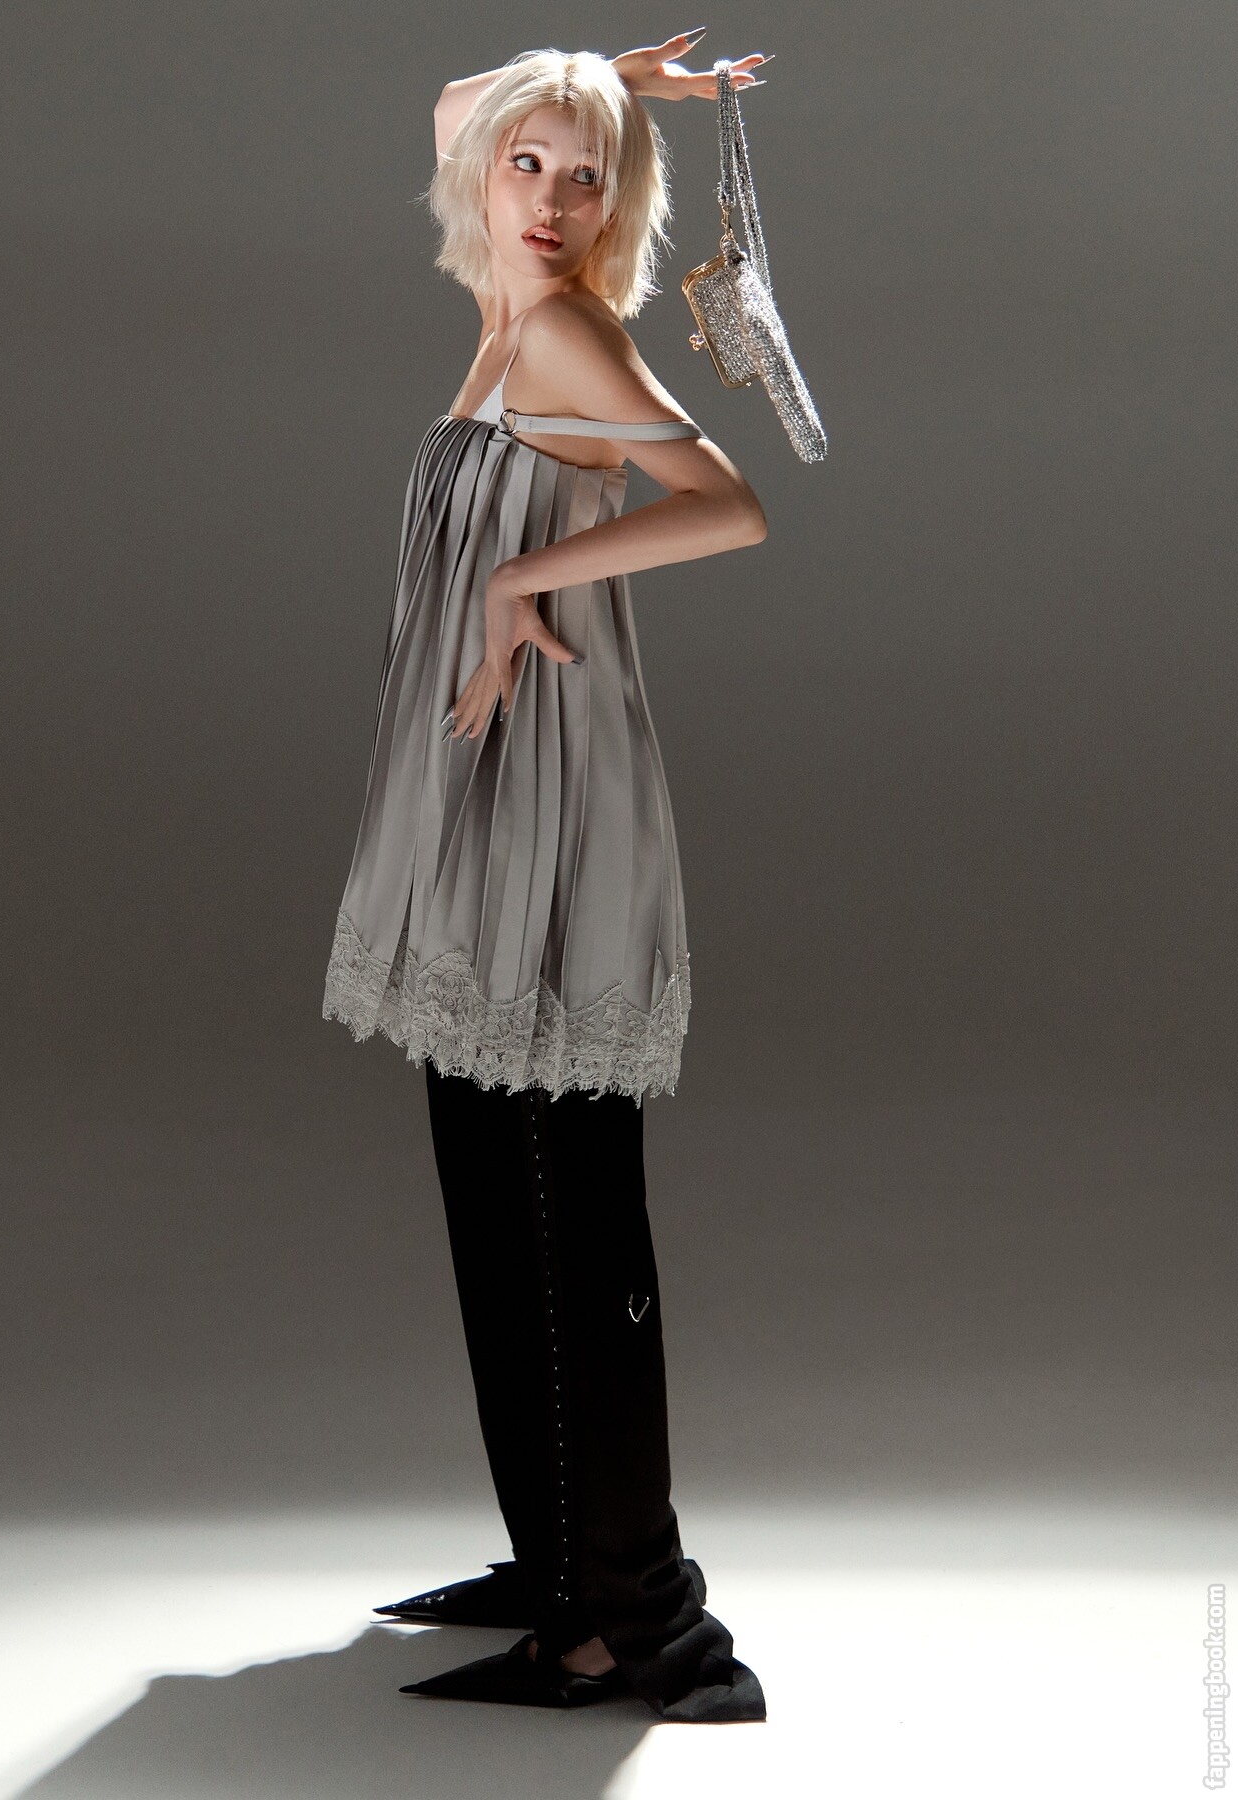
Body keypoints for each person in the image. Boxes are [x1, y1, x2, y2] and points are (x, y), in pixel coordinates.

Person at [322, 33, 771, 1720]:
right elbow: (459, 105)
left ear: (612, 208)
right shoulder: (505, 303)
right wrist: (600, 75)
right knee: (495, 1190)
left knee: (560, 1207)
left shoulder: (571, 327)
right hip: (481, 780)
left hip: (552, 800)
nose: (554, 200)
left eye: (589, 180)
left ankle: (629, 1621)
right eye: (532, 167)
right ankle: (560, 1554)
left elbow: (725, 505)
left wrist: (524, 583)